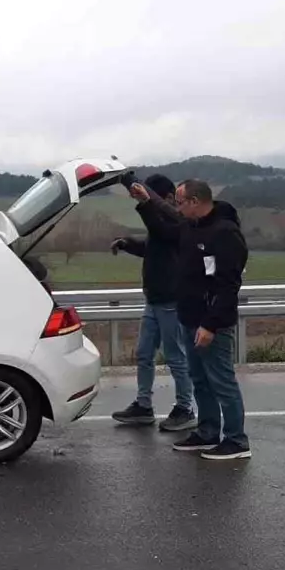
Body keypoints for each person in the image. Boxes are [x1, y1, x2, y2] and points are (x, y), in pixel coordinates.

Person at [127, 177, 251, 460]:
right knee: (200, 379)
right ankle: (207, 432)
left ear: (195, 201)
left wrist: (210, 324)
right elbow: (163, 230)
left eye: (181, 202)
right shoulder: (190, 228)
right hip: (188, 317)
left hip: (211, 323)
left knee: (222, 380)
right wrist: (145, 204)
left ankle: (236, 440)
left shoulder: (224, 234)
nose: (178, 207)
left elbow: (227, 286)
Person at [109, 173, 196, 432]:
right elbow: (153, 245)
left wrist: (145, 204)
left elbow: (163, 232)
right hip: (154, 299)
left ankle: (185, 408)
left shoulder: (182, 223)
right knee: (145, 354)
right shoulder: (164, 222)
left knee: (175, 357)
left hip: (170, 300)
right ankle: (144, 406)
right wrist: (128, 244)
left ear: (167, 198)